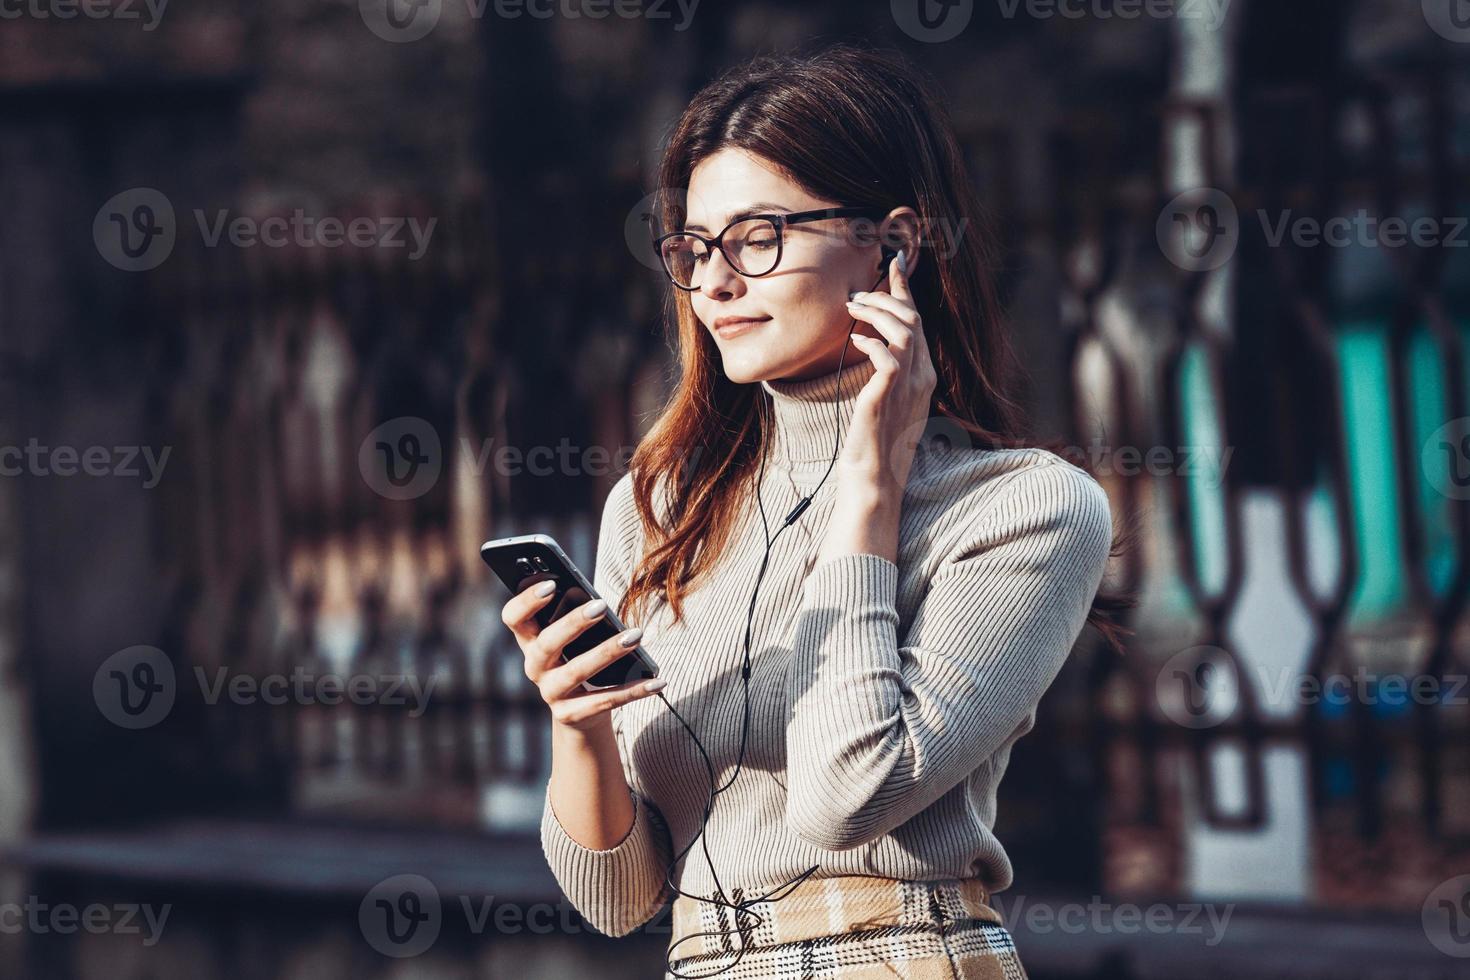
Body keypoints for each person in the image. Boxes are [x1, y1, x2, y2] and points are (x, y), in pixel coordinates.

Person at [501, 41, 1131, 980]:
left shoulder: (1025, 509)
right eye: (696, 248)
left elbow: (847, 793)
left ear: (895, 244)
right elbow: (618, 899)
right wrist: (577, 723)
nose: (715, 283)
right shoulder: (661, 504)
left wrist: (870, 485)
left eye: (760, 238)